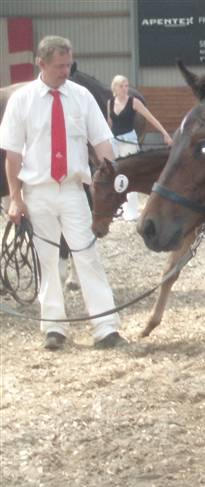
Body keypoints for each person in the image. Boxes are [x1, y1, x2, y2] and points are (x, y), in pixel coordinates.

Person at [0, 35, 125, 350]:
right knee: (47, 260)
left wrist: (112, 173)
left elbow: (101, 141)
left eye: (68, 65)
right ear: (41, 63)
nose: (66, 71)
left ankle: (106, 327)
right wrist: (15, 198)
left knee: (87, 255)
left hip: (72, 190)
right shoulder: (22, 100)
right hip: (37, 191)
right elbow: (12, 156)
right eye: (59, 66)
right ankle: (53, 327)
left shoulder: (81, 97)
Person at [108, 74, 173, 221]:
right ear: (115, 88)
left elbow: (151, 117)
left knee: (129, 175)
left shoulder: (133, 102)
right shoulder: (110, 103)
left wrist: (165, 134)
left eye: (126, 86)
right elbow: (109, 123)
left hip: (129, 141)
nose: (125, 89)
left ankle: (131, 212)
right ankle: (121, 209)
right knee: (116, 175)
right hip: (114, 142)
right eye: (122, 86)